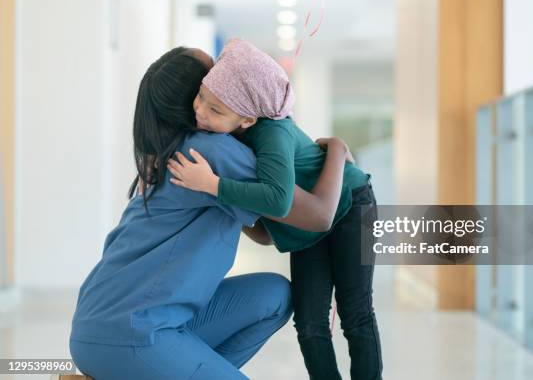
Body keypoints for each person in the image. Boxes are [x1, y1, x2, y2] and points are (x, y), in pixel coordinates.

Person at [69, 47, 352, 380]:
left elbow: (262, 232)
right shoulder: (215, 152)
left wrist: (223, 194)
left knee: (274, 296)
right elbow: (318, 215)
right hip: (131, 332)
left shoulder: (176, 147)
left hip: (104, 320)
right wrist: (337, 149)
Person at [168, 38, 383, 380]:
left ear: (248, 120)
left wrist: (213, 186)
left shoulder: (272, 133)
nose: (201, 112)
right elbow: (268, 231)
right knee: (310, 322)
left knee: (355, 312)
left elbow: (279, 200)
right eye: (201, 98)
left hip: (350, 203)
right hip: (305, 226)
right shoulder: (230, 130)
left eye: (215, 110)